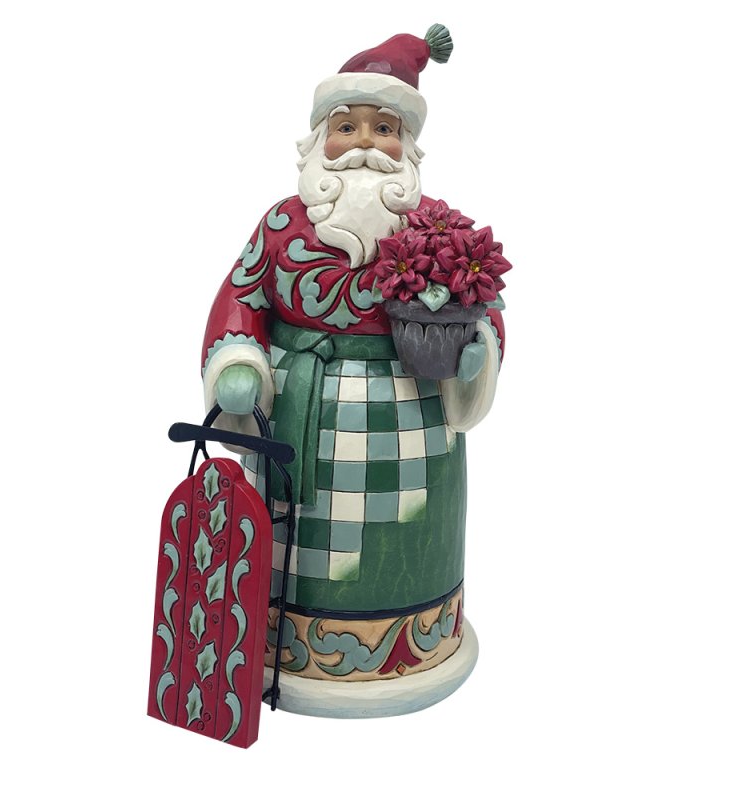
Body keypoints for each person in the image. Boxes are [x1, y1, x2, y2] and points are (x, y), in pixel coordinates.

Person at [200, 25, 506, 716]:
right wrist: (237, 361)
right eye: (347, 126)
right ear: (319, 142)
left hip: (414, 422)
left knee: (406, 545)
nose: (365, 142)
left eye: (383, 128)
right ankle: (274, 643)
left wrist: (475, 350)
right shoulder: (281, 225)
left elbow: (485, 298)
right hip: (296, 423)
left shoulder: (439, 228)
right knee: (290, 540)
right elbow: (241, 295)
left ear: (407, 147)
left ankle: (412, 640)